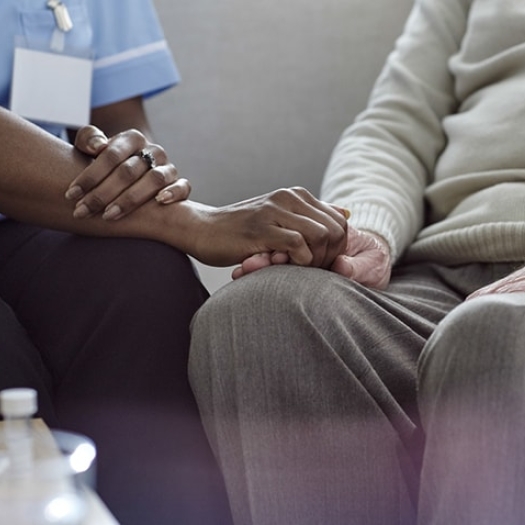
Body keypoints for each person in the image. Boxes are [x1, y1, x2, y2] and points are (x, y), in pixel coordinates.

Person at [187, 1, 525, 524]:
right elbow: (394, 125)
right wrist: (366, 229)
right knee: (261, 313)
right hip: (448, 260)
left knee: (496, 339)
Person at [0, 2, 346, 525]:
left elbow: (117, 123)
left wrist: (135, 167)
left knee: (143, 279)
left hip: (35, 216)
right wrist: (192, 223)